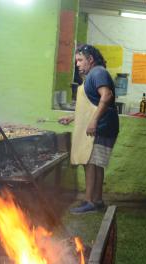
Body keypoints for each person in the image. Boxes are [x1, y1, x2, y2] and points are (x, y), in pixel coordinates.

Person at [58, 44, 119, 214]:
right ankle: (97, 200)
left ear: (90, 59)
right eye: (76, 60)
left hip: (102, 126)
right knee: (95, 164)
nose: (77, 64)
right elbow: (90, 105)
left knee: (90, 162)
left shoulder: (98, 72)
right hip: (101, 125)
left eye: (80, 60)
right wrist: (72, 117)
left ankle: (89, 201)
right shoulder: (93, 75)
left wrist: (93, 122)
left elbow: (107, 96)